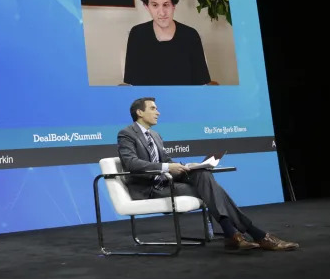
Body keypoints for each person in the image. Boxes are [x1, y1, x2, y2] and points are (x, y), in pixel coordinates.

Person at [117, 97, 299, 251]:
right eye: (153, 109)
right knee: (210, 190)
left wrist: (187, 165)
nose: (158, 112)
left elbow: (167, 159)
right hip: (148, 188)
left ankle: (234, 235)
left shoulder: (155, 135)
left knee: (202, 174)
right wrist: (166, 167)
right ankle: (253, 234)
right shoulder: (126, 134)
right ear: (139, 113)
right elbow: (131, 163)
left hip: (166, 182)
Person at [123, 0, 211, 85]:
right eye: (155, 5)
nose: (162, 13)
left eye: (166, 4)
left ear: (173, 5)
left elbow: (201, 83)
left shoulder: (190, 36)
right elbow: (132, 83)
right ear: (147, 6)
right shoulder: (137, 34)